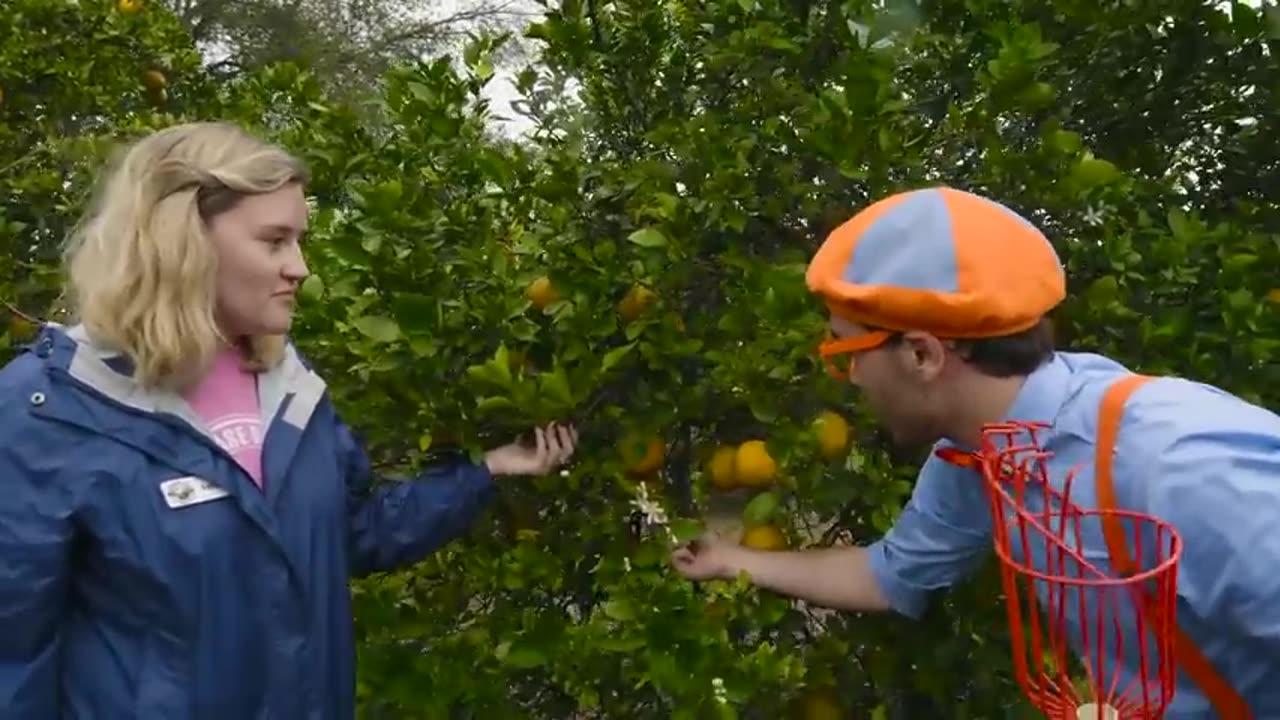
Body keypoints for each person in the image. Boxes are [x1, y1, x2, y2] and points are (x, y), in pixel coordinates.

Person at [0, 121, 579, 719]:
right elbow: (13, 659)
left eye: (298, 241)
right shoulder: (52, 412)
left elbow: (353, 534)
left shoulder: (289, 391)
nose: (299, 267)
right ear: (184, 241)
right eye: (274, 241)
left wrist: (487, 471)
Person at [670, 186, 1280, 717]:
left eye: (846, 351)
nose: (850, 378)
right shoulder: (974, 460)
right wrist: (732, 559)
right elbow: (888, 575)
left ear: (922, 354)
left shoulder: (1176, 461)